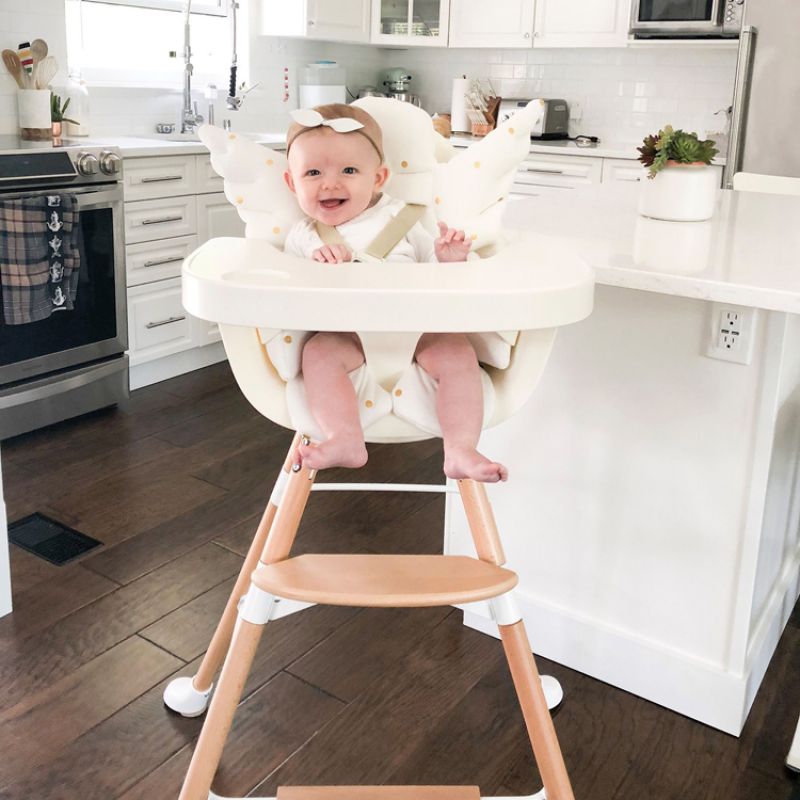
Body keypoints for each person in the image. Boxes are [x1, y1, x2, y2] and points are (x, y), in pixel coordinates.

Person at [282, 103, 508, 483]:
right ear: (292, 183)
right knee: (318, 354)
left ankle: (460, 449)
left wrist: (449, 259)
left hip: (418, 330)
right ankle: (344, 439)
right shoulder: (305, 236)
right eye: (313, 173)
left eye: (349, 171)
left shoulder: (402, 217)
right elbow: (287, 290)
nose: (330, 183)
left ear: (379, 177)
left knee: (457, 353)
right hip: (347, 333)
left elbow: (432, 275)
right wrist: (315, 266)